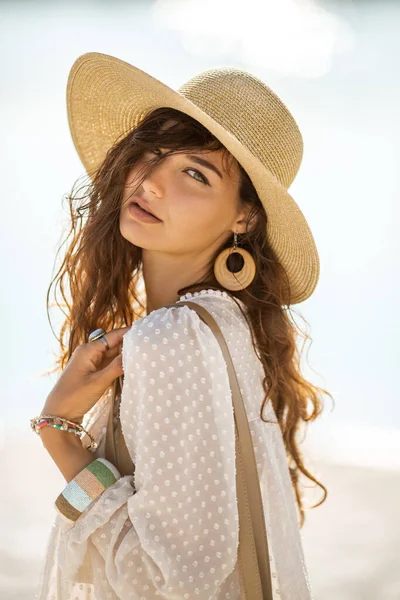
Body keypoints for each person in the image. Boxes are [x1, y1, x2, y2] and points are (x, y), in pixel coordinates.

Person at [32, 52, 332, 600]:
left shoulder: (172, 339)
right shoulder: (227, 324)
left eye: (195, 172)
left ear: (245, 217)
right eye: (153, 153)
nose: (150, 181)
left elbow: (170, 583)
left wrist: (58, 430)